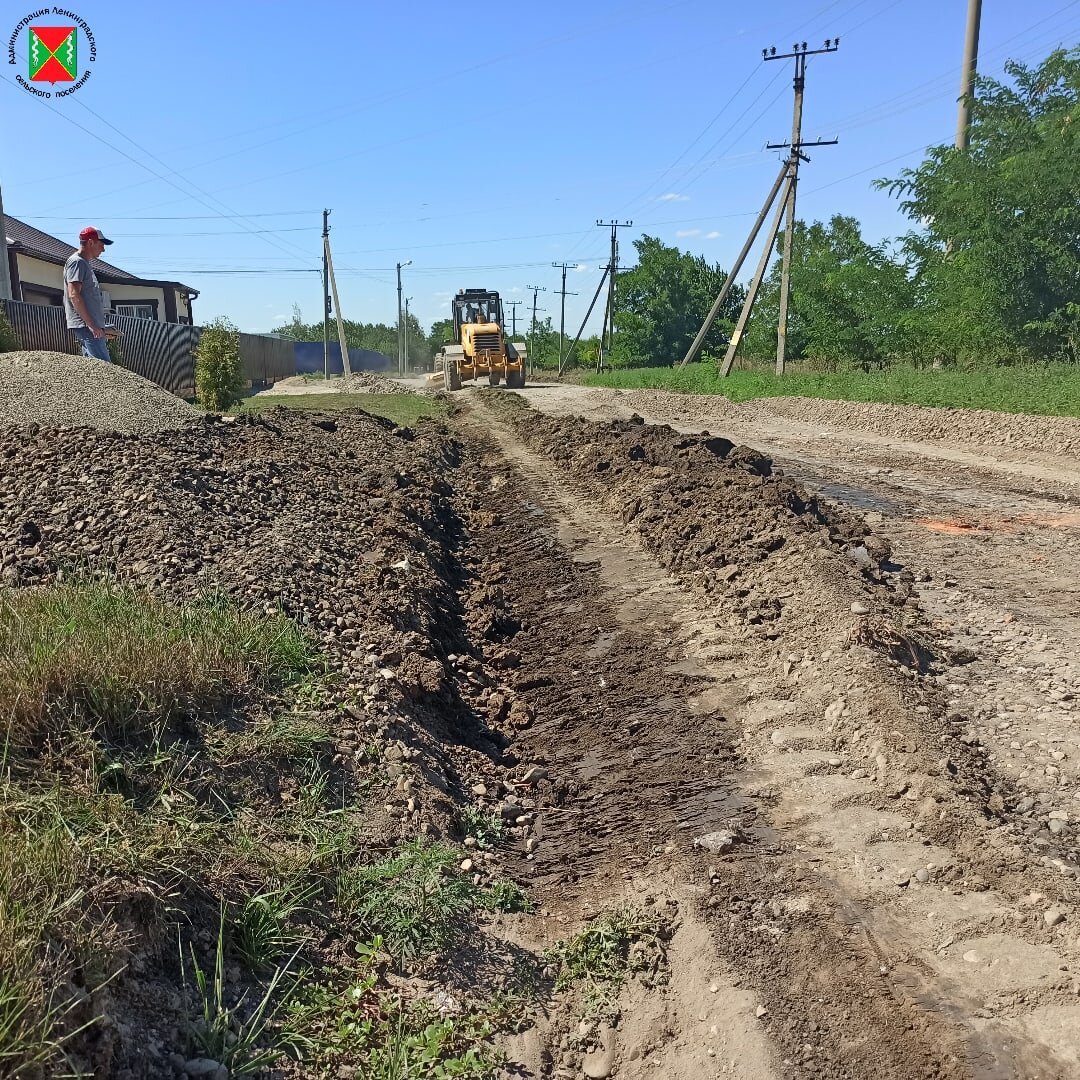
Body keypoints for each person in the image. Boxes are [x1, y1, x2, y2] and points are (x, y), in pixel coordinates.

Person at [63, 226, 117, 362]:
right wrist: (92, 325)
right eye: (101, 245)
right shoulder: (77, 262)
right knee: (104, 369)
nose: (103, 249)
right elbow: (74, 294)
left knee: (92, 369)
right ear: (91, 242)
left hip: (89, 327)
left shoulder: (83, 263)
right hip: (86, 327)